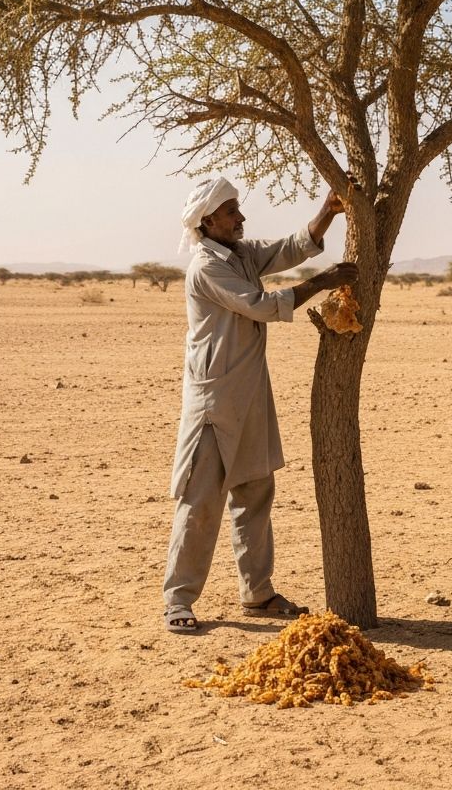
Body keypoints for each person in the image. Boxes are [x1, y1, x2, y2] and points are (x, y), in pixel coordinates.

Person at [162, 176, 358, 633]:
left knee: (254, 493)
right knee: (201, 499)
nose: (241, 218)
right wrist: (322, 282)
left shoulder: (242, 254)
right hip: (214, 399)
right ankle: (178, 600)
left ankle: (258, 593)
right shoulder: (208, 267)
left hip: (250, 395)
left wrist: (328, 211)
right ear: (208, 221)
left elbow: (292, 247)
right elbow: (262, 306)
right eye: (232, 212)